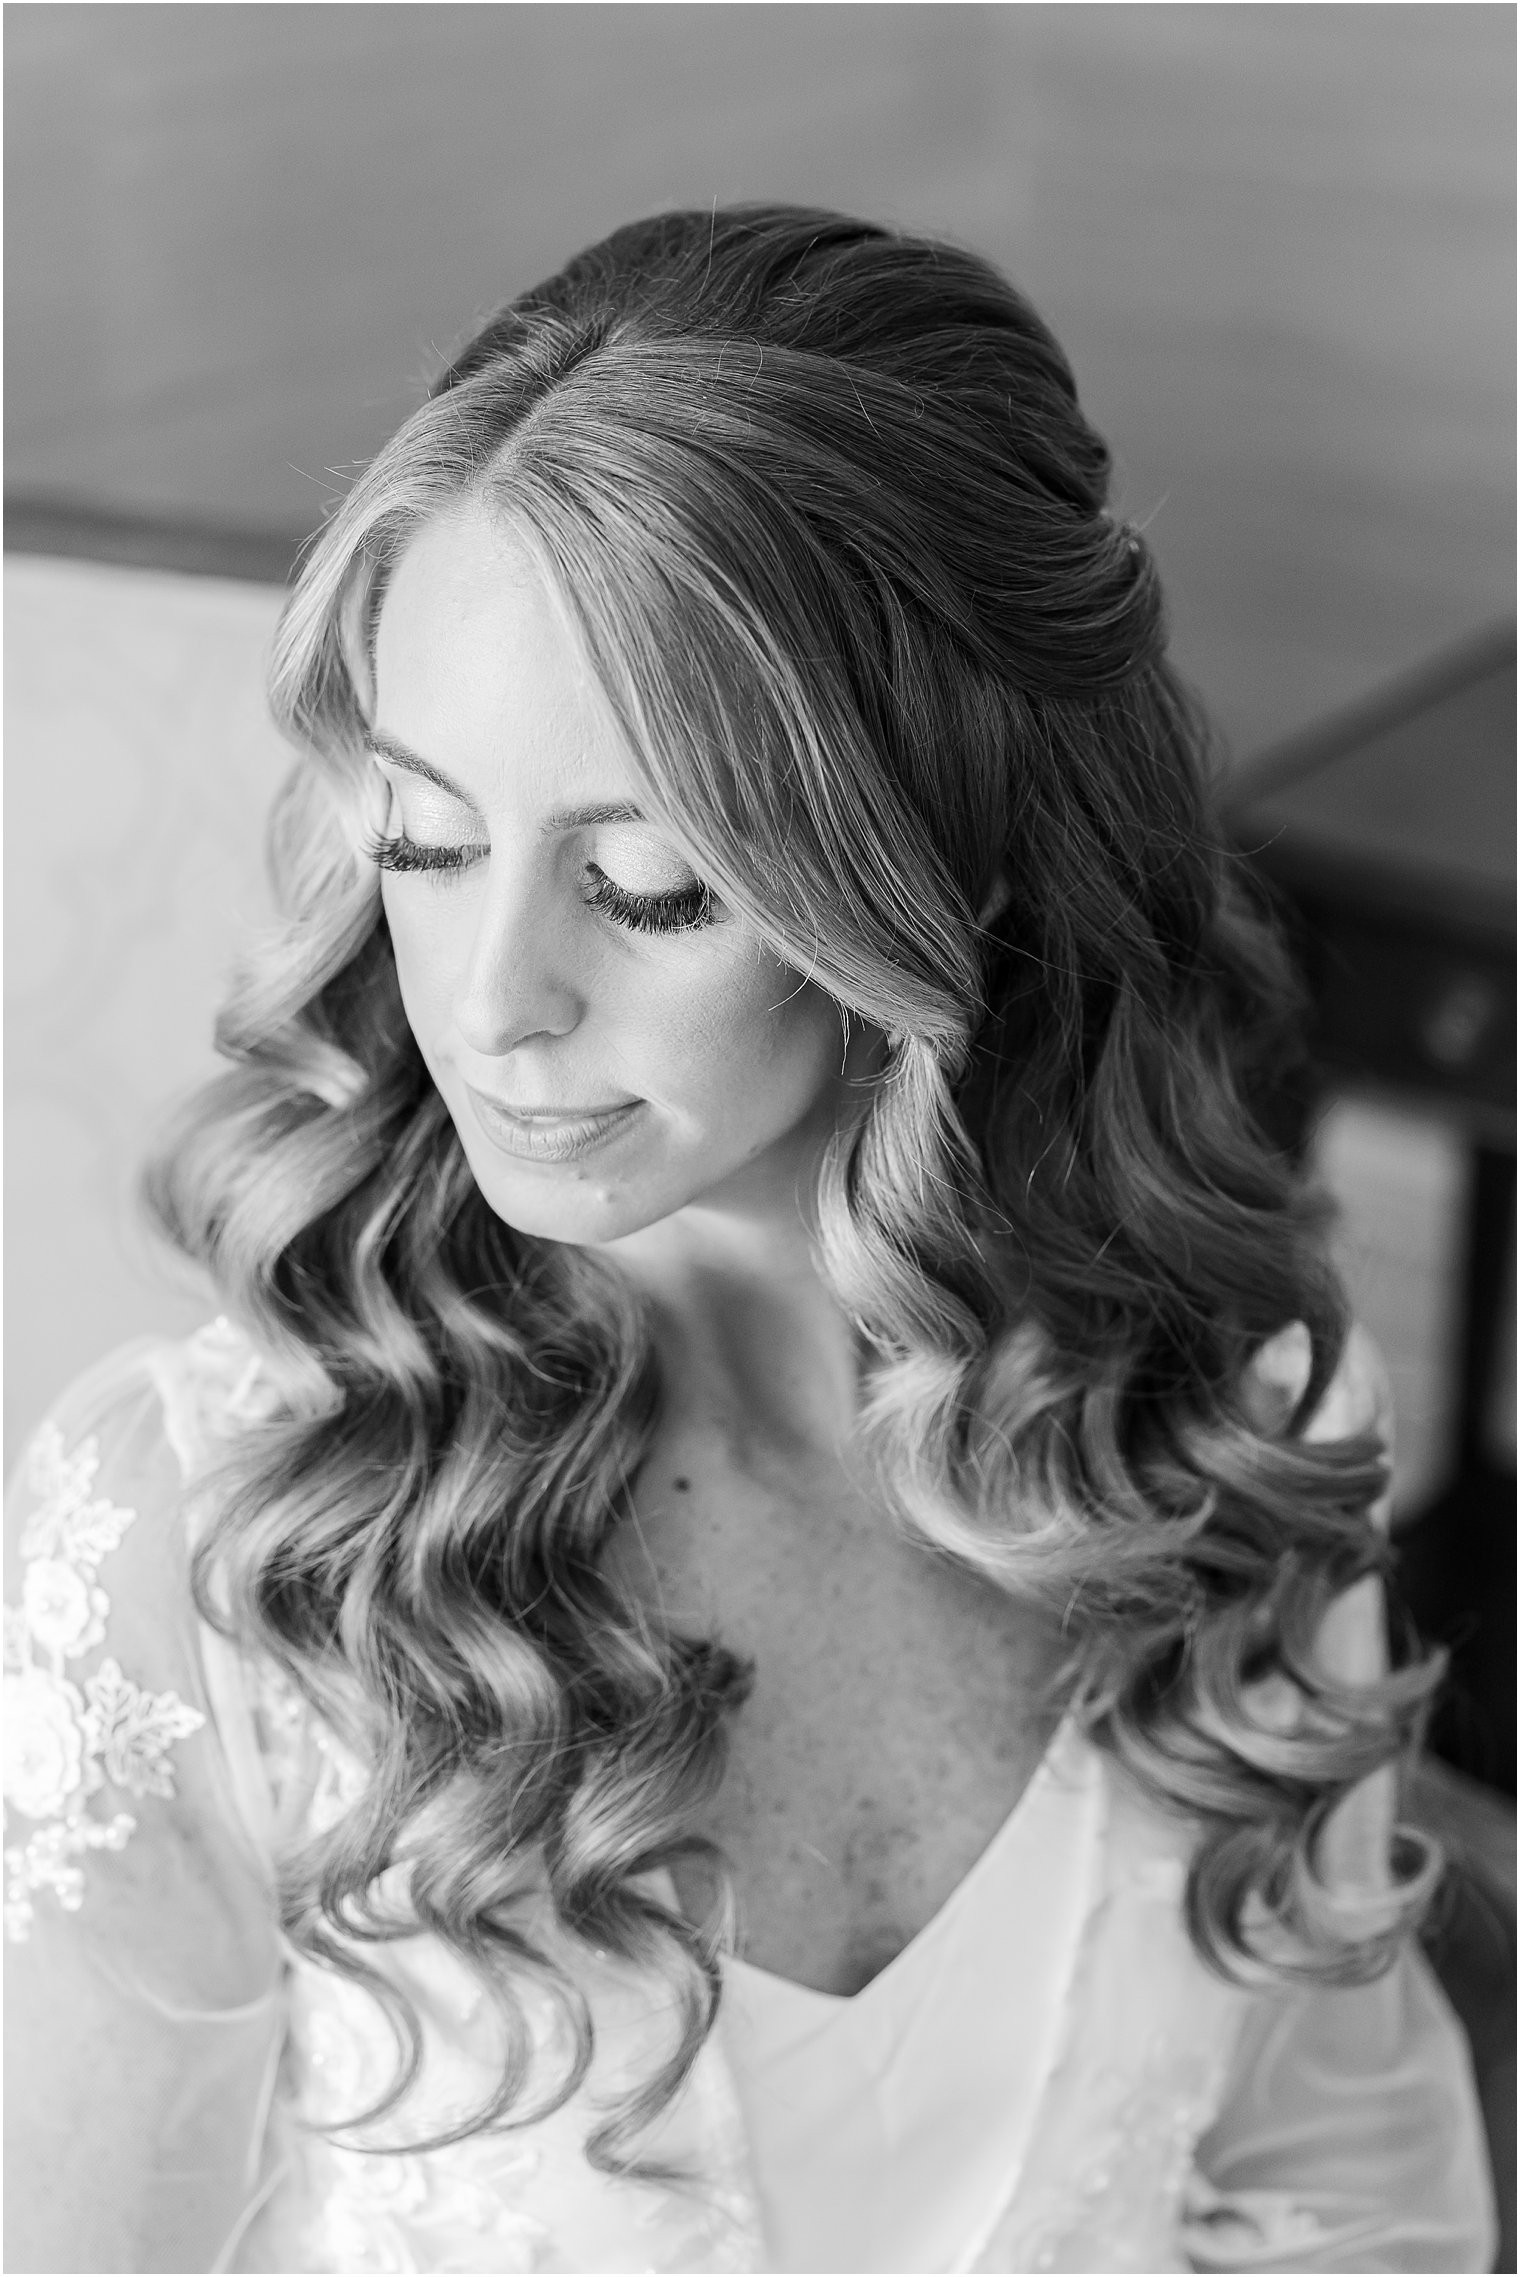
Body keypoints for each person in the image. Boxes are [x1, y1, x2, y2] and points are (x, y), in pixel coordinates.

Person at [3, 206, 1494, 2275]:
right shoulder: (205, 1547)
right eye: (426, 841)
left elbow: (1350, 2185)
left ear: (945, 867)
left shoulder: (1215, 1429)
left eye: (645, 885)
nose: (492, 998)